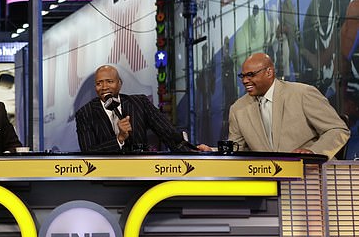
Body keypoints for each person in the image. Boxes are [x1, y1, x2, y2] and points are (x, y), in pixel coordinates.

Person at [215, 53, 350, 159]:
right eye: (242, 76)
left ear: (269, 72)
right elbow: (236, 149)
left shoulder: (303, 94)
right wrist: (212, 152)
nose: (245, 81)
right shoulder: (238, 109)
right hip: (266, 182)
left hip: (310, 176)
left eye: (250, 75)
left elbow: (337, 130)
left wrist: (314, 153)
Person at [75, 64, 194, 153]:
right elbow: (88, 152)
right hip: (105, 178)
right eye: (99, 83)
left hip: (141, 174)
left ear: (119, 84)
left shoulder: (140, 103)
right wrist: (119, 139)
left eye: (109, 81)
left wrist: (193, 151)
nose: (104, 87)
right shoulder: (85, 113)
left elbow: (168, 133)